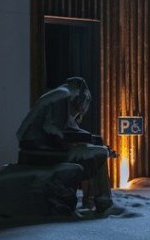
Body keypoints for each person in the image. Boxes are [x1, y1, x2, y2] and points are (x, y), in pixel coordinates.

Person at [16, 77, 116, 213]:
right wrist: (95, 142)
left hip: (40, 148)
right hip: (40, 151)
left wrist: (95, 141)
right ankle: (102, 202)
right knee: (98, 153)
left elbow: (66, 131)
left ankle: (91, 201)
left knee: (98, 151)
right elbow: (59, 132)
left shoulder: (59, 95)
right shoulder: (62, 95)